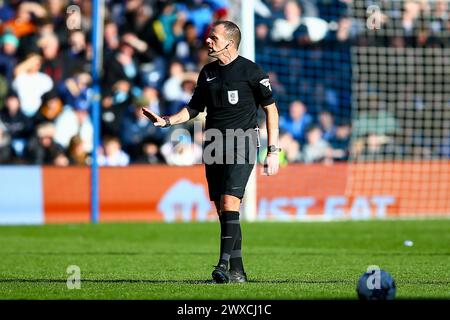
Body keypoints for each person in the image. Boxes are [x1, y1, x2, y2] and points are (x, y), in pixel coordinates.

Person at [142, 20, 280, 284]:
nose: (208, 41)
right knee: (222, 211)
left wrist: (273, 150)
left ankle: (222, 266)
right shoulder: (207, 72)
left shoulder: (252, 72)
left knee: (230, 202)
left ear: (229, 42)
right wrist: (167, 120)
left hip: (243, 141)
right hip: (214, 143)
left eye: (213, 37)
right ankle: (238, 272)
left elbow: (271, 110)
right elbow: (194, 108)